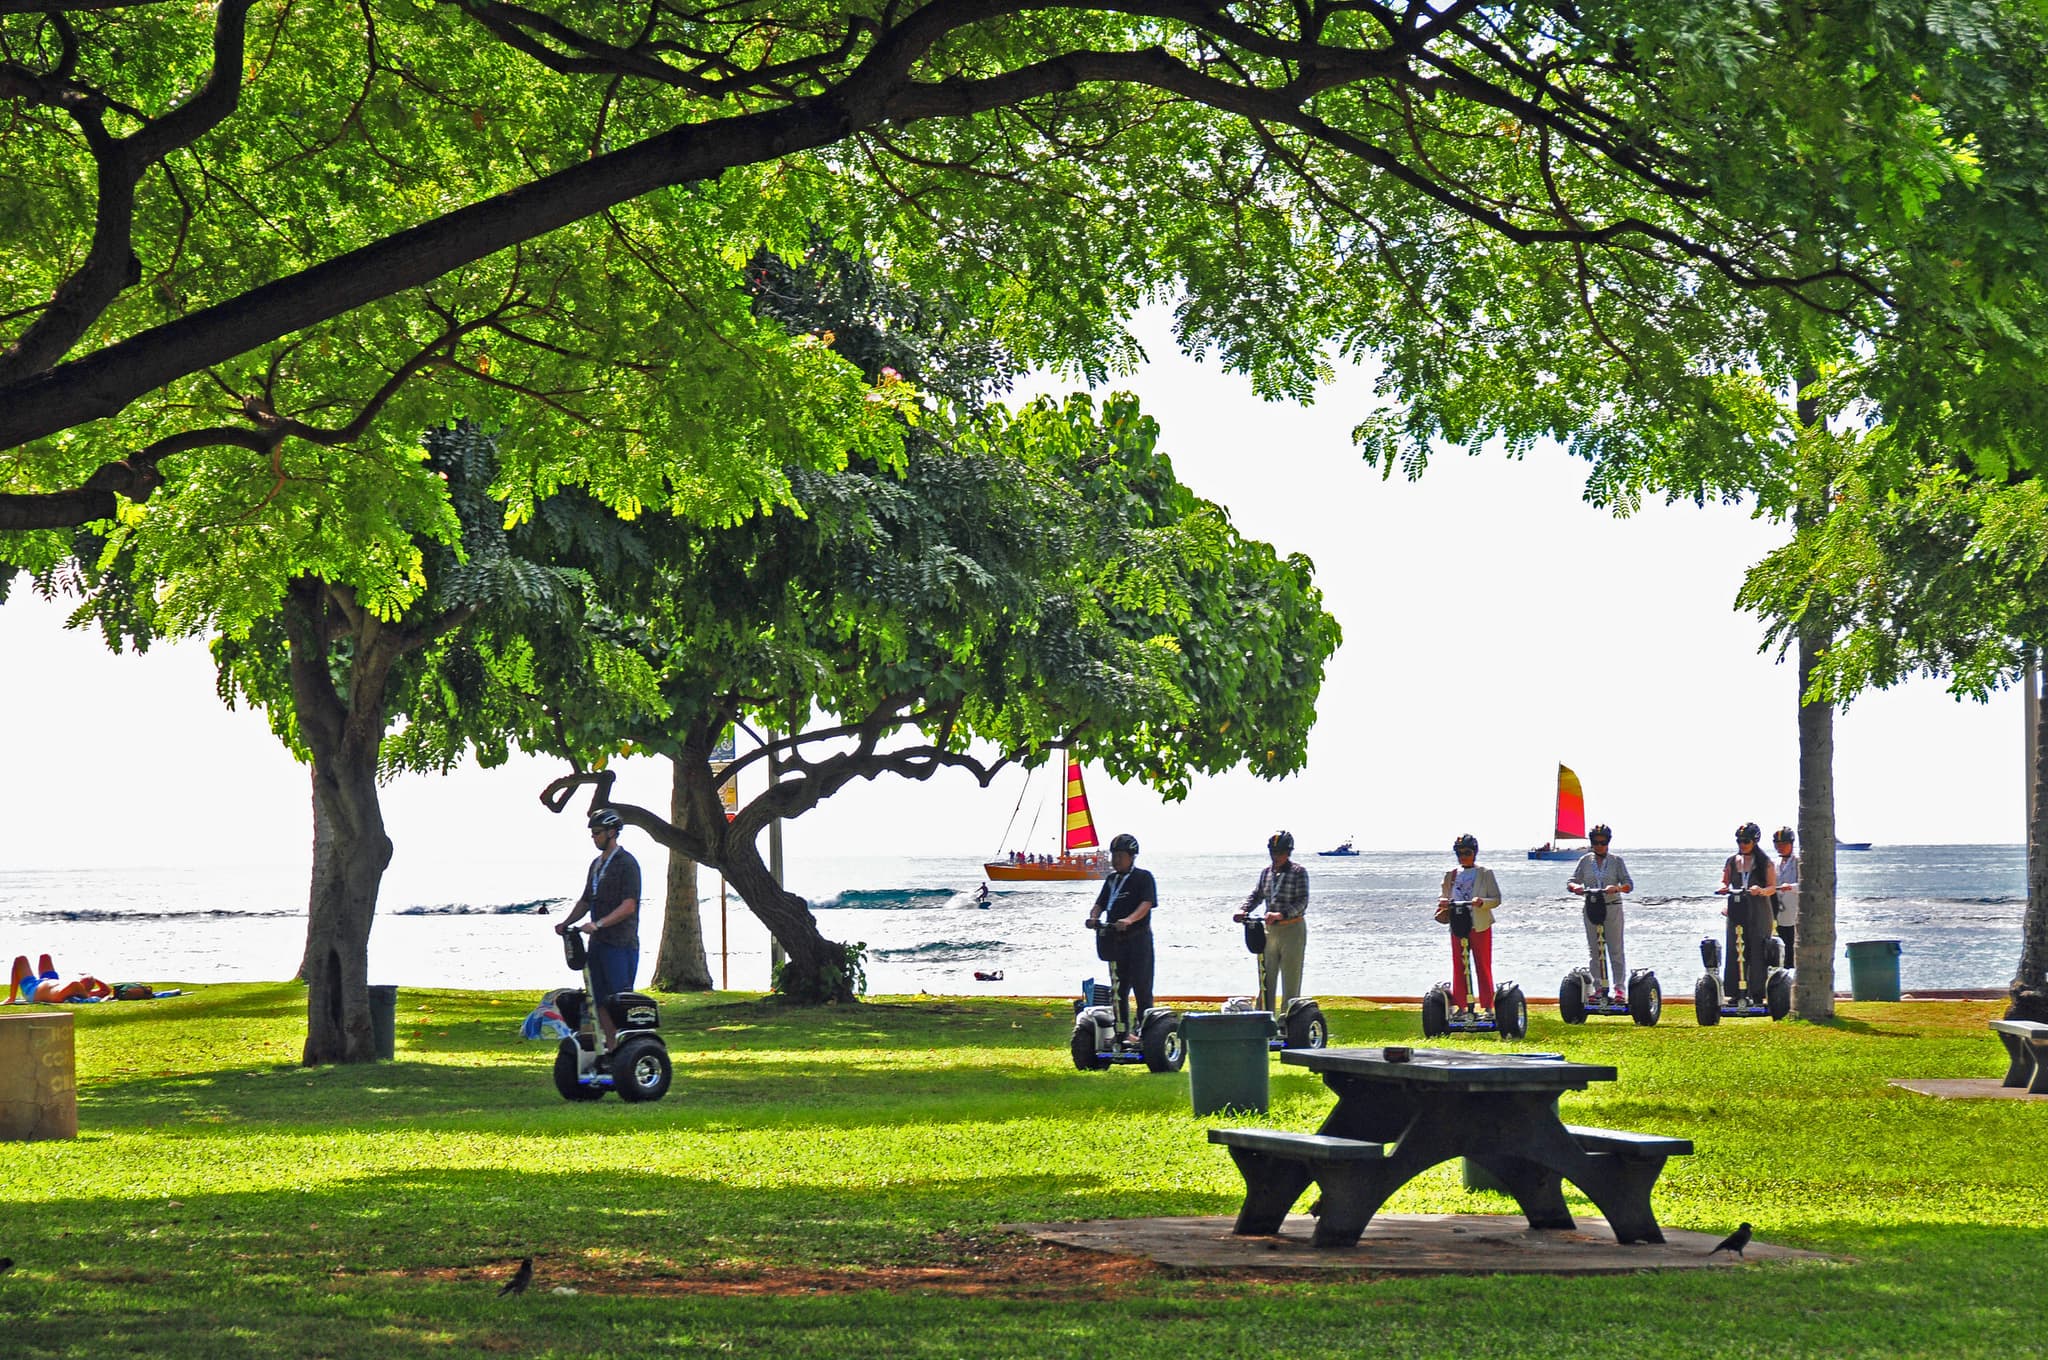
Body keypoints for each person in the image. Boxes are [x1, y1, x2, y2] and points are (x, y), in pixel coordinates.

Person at [554, 807, 642, 1047]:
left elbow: (629, 906)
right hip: (597, 945)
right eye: (592, 833)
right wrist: (566, 923)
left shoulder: (627, 863)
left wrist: (599, 923)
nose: (594, 837)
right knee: (597, 998)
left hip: (620, 943)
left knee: (619, 999)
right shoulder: (595, 865)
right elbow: (585, 900)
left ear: (613, 832)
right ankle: (611, 1046)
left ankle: (628, 1047)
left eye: (598, 833)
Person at [1085, 832, 1155, 1041]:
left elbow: (1147, 904)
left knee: (1142, 987)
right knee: (1118, 989)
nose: (1115, 860)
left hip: (1138, 941)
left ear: (1132, 857)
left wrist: (1130, 920)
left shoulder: (1143, 877)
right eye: (1113, 856)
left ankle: (1145, 1032)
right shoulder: (1111, 880)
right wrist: (1093, 917)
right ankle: (1122, 1031)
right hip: (1115, 941)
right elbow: (1100, 903)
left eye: (1120, 856)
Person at [1234, 830, 1309, 1013]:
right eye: (1273, 852)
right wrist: (1243, 909)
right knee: (1266, 979)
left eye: (1280, 852)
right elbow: (1257, 895)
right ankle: (1264, 1019)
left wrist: (1281, 914)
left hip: (1292, 930)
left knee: (1291, 980)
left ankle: (1289, 1022)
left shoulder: (1298, 872)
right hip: (1269, 932)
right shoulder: (1266, 873)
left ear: (1288, 852)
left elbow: (1302, 902)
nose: (1276, 856)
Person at [1567, 823, 1634, 1005]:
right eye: (1595, 842)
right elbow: (1571, 881)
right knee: (1595, 950)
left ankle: (1619, 988)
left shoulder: (1616, 861)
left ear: (1608, 842)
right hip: (1591, 905)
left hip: (1612, 906)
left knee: (1615, 949)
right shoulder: (1585, 861)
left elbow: (1629, 885)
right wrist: (1576, 888)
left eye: (1602, 842)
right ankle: (1598, 988)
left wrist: (1617, 888)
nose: (1599, 846)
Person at [1436, 834, 1502, 1015]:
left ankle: (1488, 1006)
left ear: (1474, 853)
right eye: (1459, 853)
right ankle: (1461, 1006)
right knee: (1459, 965)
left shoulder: (1485, 873)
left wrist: (1482, 902)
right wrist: (1443, 902)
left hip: (1479, 925)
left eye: (1467, 852)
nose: (1463, 856)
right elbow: (1444, 895)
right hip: (1458, 923)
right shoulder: (1451, 874)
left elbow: (1496, 899)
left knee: (1483, 964)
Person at [1719, 823, 1778, 1000]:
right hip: (1737, 907)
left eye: (1746, 841)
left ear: (1754, 841)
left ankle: (1758, 992)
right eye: (1739, 841)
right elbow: (1724, 881)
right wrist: (1722, 888)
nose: (1742, 844)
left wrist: (1760, 890)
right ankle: (1735, 992)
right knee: (1735, 947)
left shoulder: (1764, 862)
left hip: (1758, 909)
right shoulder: (1731, 861)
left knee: (1757, 949)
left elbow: (1772, 887)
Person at [7, 954, 109, 1004]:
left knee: (20, 959)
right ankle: (11, 998)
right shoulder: (83, 992)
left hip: (33, 989)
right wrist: (93, 978)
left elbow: (58, 998)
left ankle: (10, 998)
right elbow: (106, 990)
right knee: (45, 957)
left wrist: (89, 978)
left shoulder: (76, 987)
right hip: (51, 980)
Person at [1772, 826, 1799, 967]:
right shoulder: (1774, 864)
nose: (1780, 847)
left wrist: (1791, 887)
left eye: (1784, 844)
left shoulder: (1798, 862)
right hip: (1779, 915)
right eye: (1777, 844)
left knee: (1792, 951)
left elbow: (1806, 886)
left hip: (1794, 916)